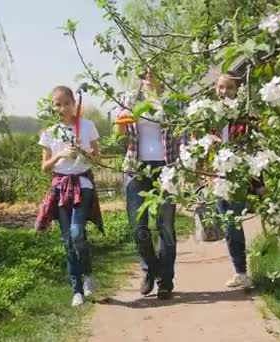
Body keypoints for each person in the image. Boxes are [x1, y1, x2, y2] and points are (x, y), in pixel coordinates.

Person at [35, 85, 103, 307]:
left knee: (76, 233)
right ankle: (77, 290)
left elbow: (97, 157)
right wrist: (60, 155)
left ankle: (89, 275)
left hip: (82, 184)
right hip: (60, 187)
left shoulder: (87, 126)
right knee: (68, 239)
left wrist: (86, 153)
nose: (62, 107)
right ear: (53, 107)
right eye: (57, 104)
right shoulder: (49, 132)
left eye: (66, 103)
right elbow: (45, 167)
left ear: (74, 103)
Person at [116, 68, 179, 300]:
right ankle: (150, 269)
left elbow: (183, 136)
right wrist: (121, 125)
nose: (150, 76)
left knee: (166, 227)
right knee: (138, 227)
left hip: (166, 167)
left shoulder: (172, 100)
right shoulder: (128, 100)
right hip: (136, 167)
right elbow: (121, 136)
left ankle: (165, 281)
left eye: (154, 71)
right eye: (145, 72)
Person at [213, 69, 253, 289]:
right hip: (217, 176)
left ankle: (242, 271)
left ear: (237, 90)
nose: (224, 91)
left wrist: (258, 183)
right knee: (228, 225)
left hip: (237, 176)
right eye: (221, 87)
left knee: (233, 222)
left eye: (229, 87)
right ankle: (239, 271)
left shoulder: (243, 116)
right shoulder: (212, 116)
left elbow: (251, 147)